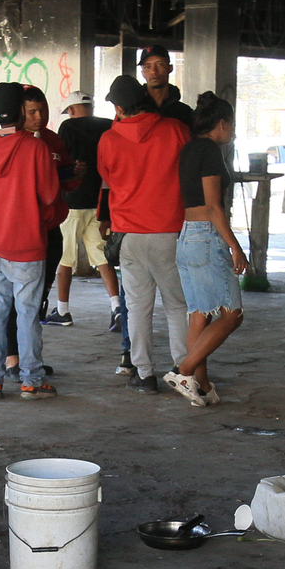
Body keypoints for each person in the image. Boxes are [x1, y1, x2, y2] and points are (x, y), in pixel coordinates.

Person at [97, 74, 191, 394]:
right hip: (171, 231)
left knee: (137, 307)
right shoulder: (176, 130)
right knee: (177, 305)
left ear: (119, 108)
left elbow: (107, 178)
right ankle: (183, 369)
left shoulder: (109, 139)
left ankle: (144, 373)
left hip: (129, 234)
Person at [0, 81, 60, 400]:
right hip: (28, 247)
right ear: (21, 111)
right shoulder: (36, 148)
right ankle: (31, 381)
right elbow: (50, 196)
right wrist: (41, 223)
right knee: (28, 316)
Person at [164, 93, 247, 409]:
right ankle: (183, 371)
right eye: (232, 125)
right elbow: (213, 206)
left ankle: (203, 384)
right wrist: (235, 246)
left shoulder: (189, 149)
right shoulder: (210, 151)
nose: (233, 131)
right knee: (232, 314)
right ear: (222, 124)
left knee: (200, 314)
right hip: (207, 237)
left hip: (187, 236)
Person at [2, 88, 75, 373]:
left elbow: (64, 184)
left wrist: (74, 175)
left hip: (50, 229)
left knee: (38, 298)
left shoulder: (52, 140)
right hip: (19, 233)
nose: (38, 117)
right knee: (13, 300)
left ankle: (30, 359)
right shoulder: (7, 143)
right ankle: (12, 358)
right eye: (31, 111)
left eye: (42, 110)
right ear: (19, 112)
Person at [50, 90, 121, 332]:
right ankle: (116, 307)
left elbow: (61, 162)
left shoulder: (67, 127)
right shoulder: (108, 126)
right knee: (102, 258)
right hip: (100, 201)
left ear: (71, 110)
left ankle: (62, 310)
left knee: (65, 259)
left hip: (72, 202)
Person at [137, 44, 194, 128]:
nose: (153, 71)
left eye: (160, 64)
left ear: (170, 68)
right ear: (142, 72)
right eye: (147, 67)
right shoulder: (134, 110)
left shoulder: (184, 112)